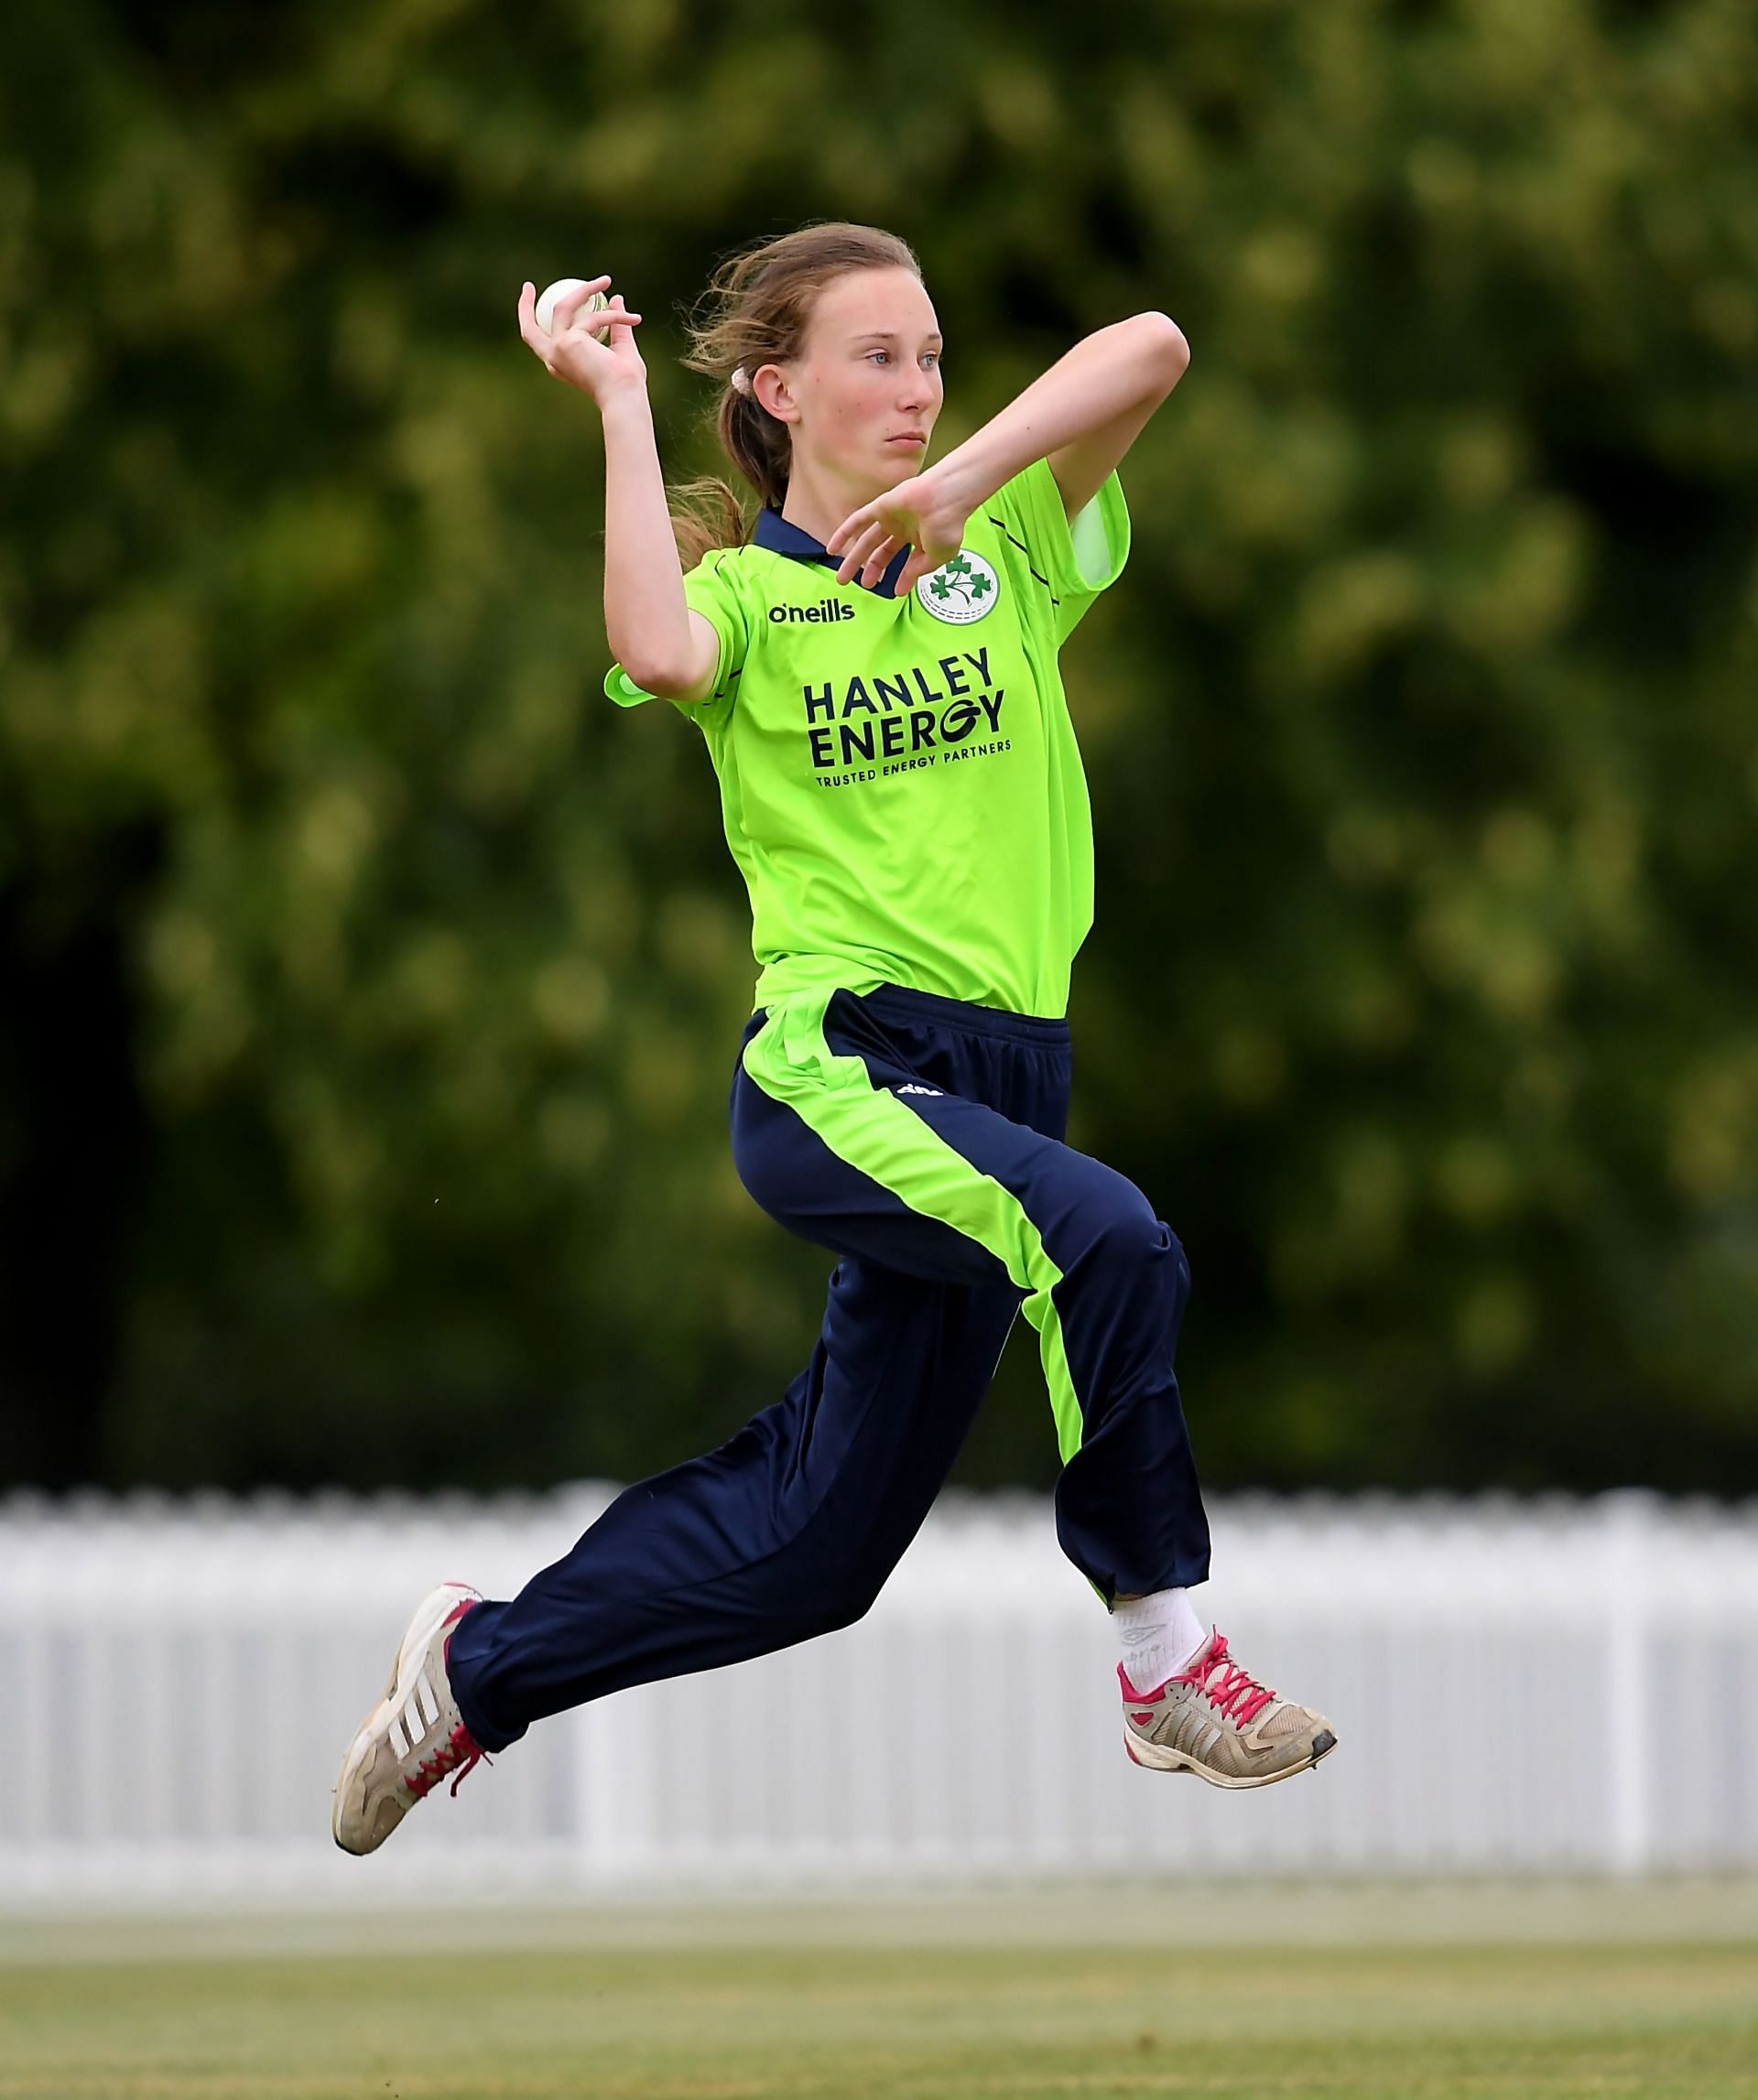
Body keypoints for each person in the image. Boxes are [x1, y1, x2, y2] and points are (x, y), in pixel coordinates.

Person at [332, 222, 1336, 1857]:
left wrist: (966, 481)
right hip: (841, 1069)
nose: (920, 387)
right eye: (880, 357)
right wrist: (608, 402)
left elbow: (1150, 340)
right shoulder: (744, 598)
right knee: (1112, 1244)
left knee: (816, 1553)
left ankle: (474, 1666)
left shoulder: (994, 540)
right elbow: (655, 651)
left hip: (1004, 1073)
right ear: (777, 389)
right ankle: (1168, 1664)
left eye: (932, 355)